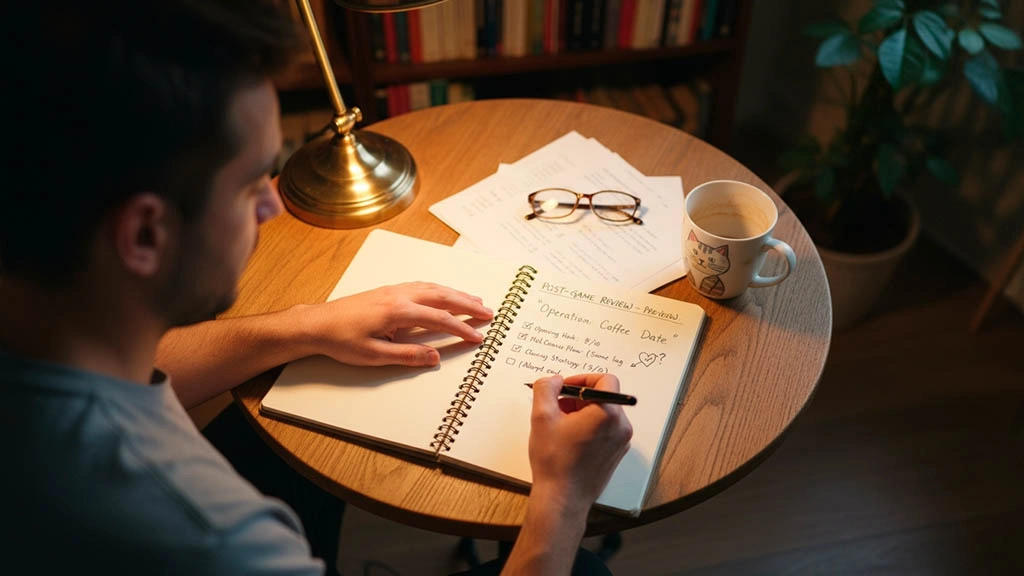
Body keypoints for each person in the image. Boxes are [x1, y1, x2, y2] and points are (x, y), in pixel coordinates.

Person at [1, 1, 633, 575]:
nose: (272, 205)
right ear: (144, 235)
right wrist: (561, 498)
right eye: (250, 183)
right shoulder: (214, 537)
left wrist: (304, 326)